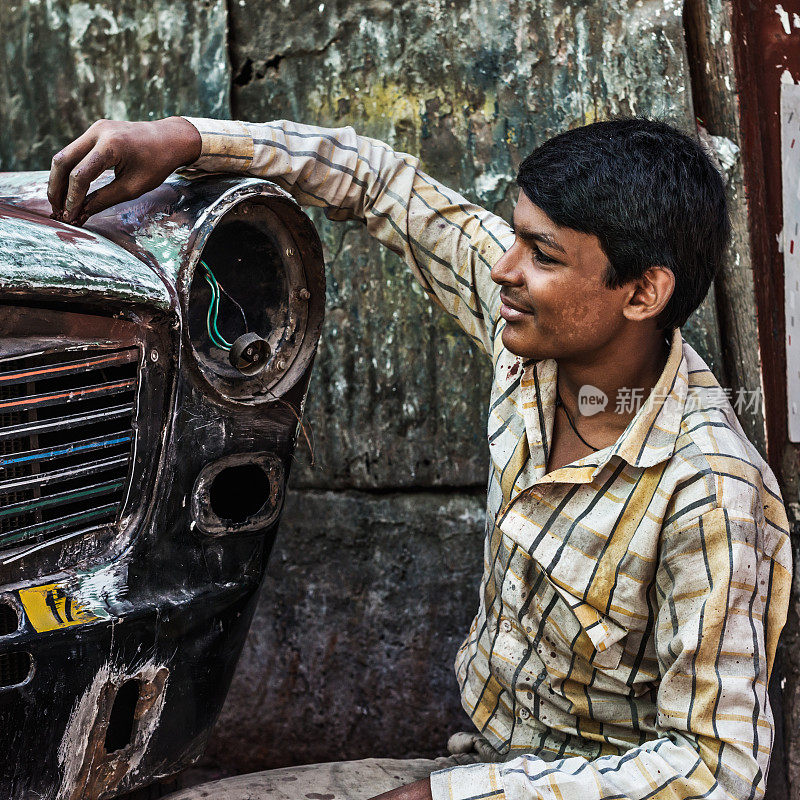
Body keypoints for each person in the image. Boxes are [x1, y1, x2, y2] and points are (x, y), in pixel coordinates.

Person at [48, 113, 791, 800]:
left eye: (542, 254)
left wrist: (450, 799)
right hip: (477, 767)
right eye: (513, 236)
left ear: (642, 293)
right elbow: (381, 182)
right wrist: (186, 139)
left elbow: (715, 772)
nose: (504, 270)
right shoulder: (532, 349)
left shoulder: (711, 492)